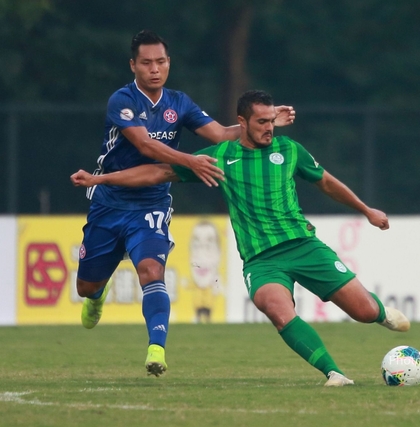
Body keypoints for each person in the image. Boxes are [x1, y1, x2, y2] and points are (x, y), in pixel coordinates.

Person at [71, 90, 409, 387]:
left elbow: (327, 182)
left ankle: (380, 312)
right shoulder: (221, 157)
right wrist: (101, 180)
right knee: (277, 309)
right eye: (262, 121)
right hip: (261, 261)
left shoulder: (290, 150)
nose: (269, 128)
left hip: (304, 247)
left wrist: (366, 210)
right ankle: (334, 374)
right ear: (242, 122)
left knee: (363, 311)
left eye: (271, 121)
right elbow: (158, 172)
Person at [76, 31, 295, 378]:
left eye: (161, 62)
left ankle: (156, 349)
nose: (154, 69)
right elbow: (145, 146)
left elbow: (220, 134)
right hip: (110, 202)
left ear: (169, 63)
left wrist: (262, 124)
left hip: (152, 203)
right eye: (146, 63)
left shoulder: (178, 103)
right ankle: (97, 293)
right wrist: (190, 160)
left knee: (151, 271)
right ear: (133, 65)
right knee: (85, 286)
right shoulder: (122, 100)